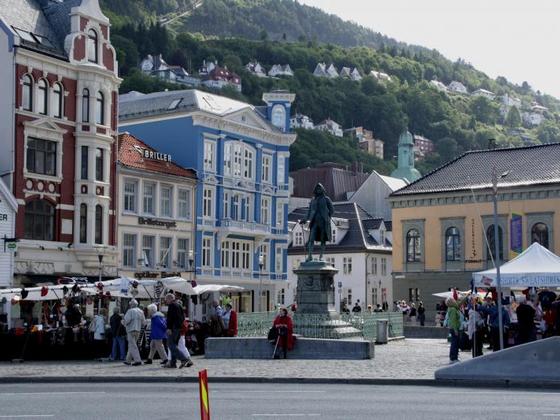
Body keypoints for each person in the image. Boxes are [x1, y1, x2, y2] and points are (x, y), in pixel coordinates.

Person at [164, 293, 193, 368]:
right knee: (174, 345)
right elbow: (183, 318)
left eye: (166, 299)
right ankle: (173, 363)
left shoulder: (172, 305)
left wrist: (169, 328)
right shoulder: (179, 305)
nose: (165, 301)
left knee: (170, 345)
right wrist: (179, 326)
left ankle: (183, 359)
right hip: (179, 328)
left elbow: (170, 318)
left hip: (173, 328)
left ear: (170, 298)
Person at [123, 299, 145, 366]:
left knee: (132, 345)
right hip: (138, 329)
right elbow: (143, 322)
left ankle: (138, 360)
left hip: (131, 329)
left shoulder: (130, 311)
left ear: (131, 305)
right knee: (132, 345)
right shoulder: (141, 311)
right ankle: (128, 360)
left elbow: (127, 320)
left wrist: (123, 322)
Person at [446, 297, 461, 363]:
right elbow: (453, 320)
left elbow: (459, 303)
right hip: (454, 328)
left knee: (454, 343)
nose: (455, 301)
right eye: (453, 300)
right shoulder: (453, 309)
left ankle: (454, 357)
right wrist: (455, 330)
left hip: (453, 328)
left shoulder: (452, 308)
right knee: (455, 343)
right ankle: (453, 358)